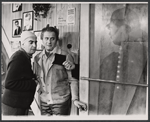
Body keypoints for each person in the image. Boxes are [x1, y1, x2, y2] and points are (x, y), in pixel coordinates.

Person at [99, 6, 147, 114]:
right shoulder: (120, 55)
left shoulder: (137, 54)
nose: (108, 30)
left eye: (110, 26)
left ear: (124, 28)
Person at [33, 25, 87, 115]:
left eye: (52, 39)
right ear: (42, 40)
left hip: (61, 102)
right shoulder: (37, 58)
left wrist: (75, 99)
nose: (49, 42)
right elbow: (36, 79)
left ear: (57, 40)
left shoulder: (65, 56)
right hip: (44, 101)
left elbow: (72, 80)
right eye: (46, 38)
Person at [2, 31, 38, 115]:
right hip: (14, 105)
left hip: (18, 104)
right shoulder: (19, 57)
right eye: (31, 42)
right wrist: (33, 83)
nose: (34, 45)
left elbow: (22, 76)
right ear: (22, 44)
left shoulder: (25, 56)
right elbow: (9, 83)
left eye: (36, 42)